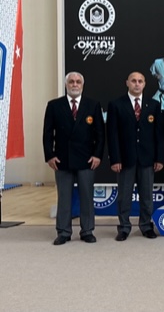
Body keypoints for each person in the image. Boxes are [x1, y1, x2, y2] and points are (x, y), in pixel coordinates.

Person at [42, 72, 105, 245]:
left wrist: (97, 155)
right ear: (66, 85)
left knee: (87, 196)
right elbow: (47, 134)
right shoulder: (54, 105)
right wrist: (50, 156)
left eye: (78, 82)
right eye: (71, 82)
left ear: (82, 85)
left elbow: (100, 134)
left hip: (87, 159)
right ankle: (63, 231)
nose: (75, 84)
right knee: (64, 197)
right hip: (62, 159)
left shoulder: (92, 105)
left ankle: (87, 230)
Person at [107, 72, 164, 241]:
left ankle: (146, 226)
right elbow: (112, 135)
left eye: (140, 81)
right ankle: (124, 227)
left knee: (147, 195)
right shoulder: (116, 105)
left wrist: (159, 158)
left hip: (147, 158)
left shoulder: (153, 105)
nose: (137, 84)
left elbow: (159, 134)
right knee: (124, 196)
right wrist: (115, 159)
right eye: (133, 81)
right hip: (125, 159)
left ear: (145, 84)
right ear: (127, 83)